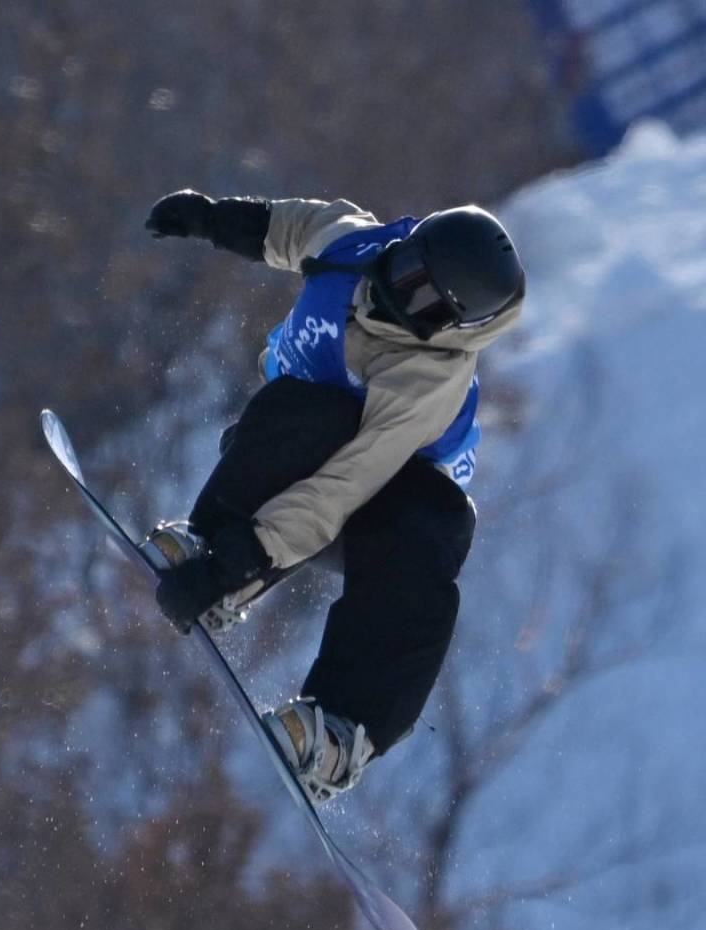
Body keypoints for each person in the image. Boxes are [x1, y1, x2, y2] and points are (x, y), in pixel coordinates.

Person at [142, 189, 525, 804]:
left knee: (441, 524)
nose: (397, 292)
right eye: (406, 269)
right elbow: (286, 227)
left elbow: (345, 486)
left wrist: (246, 558)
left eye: (424, 302)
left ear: (450, 327)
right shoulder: (352, 245)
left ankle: (343, 728)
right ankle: (211, 539)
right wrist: (212, 218)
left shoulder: (429, 378)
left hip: (381, 516)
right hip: (277, 448)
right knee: (310, 410)